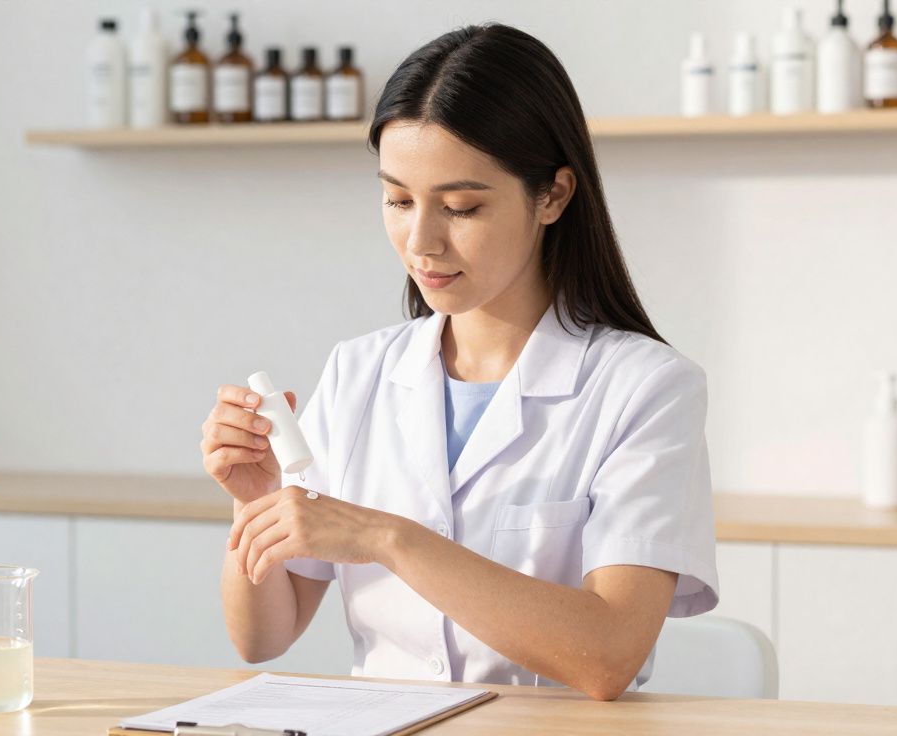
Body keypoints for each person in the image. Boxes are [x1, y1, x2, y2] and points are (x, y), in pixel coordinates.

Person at [198, 23, 718, 701]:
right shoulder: (359, 373)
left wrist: (386, 538)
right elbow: (263, 637)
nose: (421, 242)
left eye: (461, 207)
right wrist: (257, 500)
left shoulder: (646, 389)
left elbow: (608, 655)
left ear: (554, 195)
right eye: (399, 200)